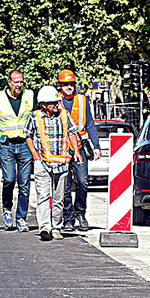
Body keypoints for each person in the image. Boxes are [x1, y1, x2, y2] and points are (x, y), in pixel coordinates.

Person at [26, 86, 82, 242]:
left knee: (59, 199)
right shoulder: (34, 117)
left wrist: (76, 151)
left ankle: (56, 227)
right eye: (53, 103)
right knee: (43, 196)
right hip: (42, 163)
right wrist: (35, 156)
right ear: (44, 104)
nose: (57, 105)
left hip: (62, 164)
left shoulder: (64, 115)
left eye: (58, 102)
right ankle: (45, 227)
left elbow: (72, 133)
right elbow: (28, 136)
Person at [0, 69, 35, 232]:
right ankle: (7, 209)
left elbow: (36, 119)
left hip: (25, 145)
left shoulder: (29, 96)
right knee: (9, 179)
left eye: (21, 81)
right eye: (16, 82)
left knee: (25, 184)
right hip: (6, 145)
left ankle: (21, 218)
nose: (19, 85)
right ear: (9, 82)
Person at [56, 69, 100, 232]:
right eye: (65, 84)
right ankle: (68, 218)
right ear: (60, 85)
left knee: (82, 181)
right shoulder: (56, 100)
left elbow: (90, 123)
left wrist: (96, 145)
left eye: (71, 84)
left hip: (80, 146)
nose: (69, 87)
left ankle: (80, 213)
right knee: (65, 185)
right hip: (61, 148)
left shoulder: (82, 100)